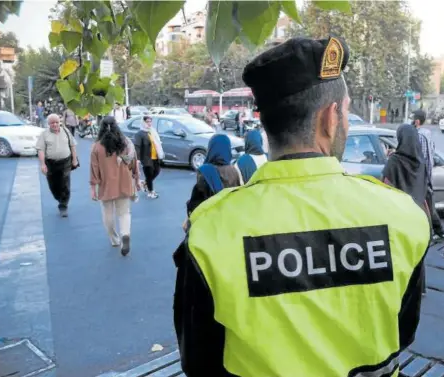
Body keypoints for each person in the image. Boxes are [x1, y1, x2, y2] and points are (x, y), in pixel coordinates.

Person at [173, 36, 430, 377]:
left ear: (265, 122)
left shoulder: (208, 233)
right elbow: (404, 332)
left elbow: (198, 362)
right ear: (331, 117)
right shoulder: (404, 218)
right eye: (347, 109)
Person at [382, 123, 430, 296]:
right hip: (419, 214)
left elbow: (385, 186)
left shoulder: (395, 161)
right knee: (418, 255)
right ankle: (419, 288)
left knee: (400, 252)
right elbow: (426, 189)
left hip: (399, 213)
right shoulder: (421, 162)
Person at [90, 116, 139, 256]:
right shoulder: (125, 143)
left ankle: (114, 239)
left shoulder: (97, 147)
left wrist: (93, 188)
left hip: (105, 185)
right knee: (124, 212)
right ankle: (126, 234)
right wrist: (136, 177)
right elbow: (133, 161)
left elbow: (94, 169)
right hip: (124, 182)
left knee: (108, 214)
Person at [183, 134, 242, 231]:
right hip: (229, 222)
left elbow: (197, 203)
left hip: (209, 223)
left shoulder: (205, 171)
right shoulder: (234, 170)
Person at [413, 110, 444, 241]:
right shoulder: (427, 134)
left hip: (422, 176)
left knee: (426, 205)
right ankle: (438, 231)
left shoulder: (419, 136)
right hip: (426, 175)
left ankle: (434, 232)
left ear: (416, 121)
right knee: (428, 205)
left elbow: (421, 157)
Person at [36, 114, 79, 217]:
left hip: (65, 162)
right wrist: (42, 164)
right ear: (49, 124)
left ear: (59, 122)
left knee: (65, 184)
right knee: (53, 185)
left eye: (56, 122)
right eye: (52, 123)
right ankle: (59, 198)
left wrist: (74, 159)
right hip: (51, 163)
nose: (55, 124)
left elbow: (72, 146)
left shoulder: (66, 131)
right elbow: (40, 150)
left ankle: (63, 205)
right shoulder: (44, 134)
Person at [134, 115, 163, 199]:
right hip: (146, 157)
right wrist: (138, 159)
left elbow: (157, 143)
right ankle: (151, 192)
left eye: (150, 121)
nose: (149, 123)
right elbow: (137, 146)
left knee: (157, 171)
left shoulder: (152, 131)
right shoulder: (140, 134)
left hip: (155, 156)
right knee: (149, 175)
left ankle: (145, 183)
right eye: (147, 121)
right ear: (143, 122)